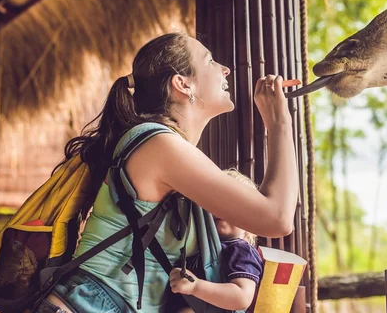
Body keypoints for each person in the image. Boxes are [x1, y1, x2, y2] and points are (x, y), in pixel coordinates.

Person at [34, 32, 299, 312]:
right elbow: (277, 219)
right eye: (210, 61)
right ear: (182, 84)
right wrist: (280, 121)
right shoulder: (160, 146)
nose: (226, 69)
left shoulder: (166, 146)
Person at [169, 170, 264, 312]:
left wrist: (196, 287)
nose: (222, 209)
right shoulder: (196, 244)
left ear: (251, 224)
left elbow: (242, 297)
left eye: (234, 205)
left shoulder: (241, 249)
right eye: (215, 202)